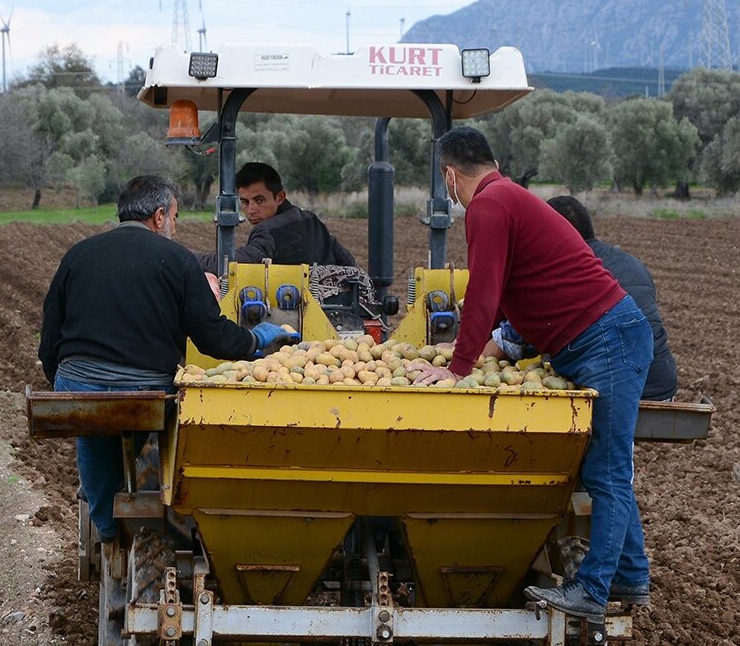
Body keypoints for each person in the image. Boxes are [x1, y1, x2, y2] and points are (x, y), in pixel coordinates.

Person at [411, 127, 654, 620]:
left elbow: (483, 291)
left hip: (605, 338)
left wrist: (457, 370)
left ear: (450, 176)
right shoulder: (507, 197)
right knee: (602, 469)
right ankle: (630, 576)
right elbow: (499, 293)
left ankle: (592, 591)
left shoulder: (489, 205)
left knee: (605, 471)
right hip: (599, 339)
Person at [38, 175, 297, 553]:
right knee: (153, 438)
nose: (174, 225)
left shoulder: (78, 254)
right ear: (159, 216)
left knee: (93, 436)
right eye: (174, 215)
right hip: (144, 389)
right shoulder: (177, 260)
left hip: (79, 384)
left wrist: (62, 383)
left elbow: (51, 334)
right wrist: (256, 339)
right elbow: (213, 336)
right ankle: (146, 518)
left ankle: (108, 533)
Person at [547, 195, 678, 401]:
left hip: (615, 393)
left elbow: (519, 339)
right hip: (662, 383)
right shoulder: (632, 263)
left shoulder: (568, 270)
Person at [195, 162, 356, 275]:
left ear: (280, 197)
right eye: (245, 202)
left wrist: (185, 257)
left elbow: (229, 265)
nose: (251, 210)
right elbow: (348, 261)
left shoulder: (267, 232)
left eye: (259, 200)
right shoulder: (311, 219)